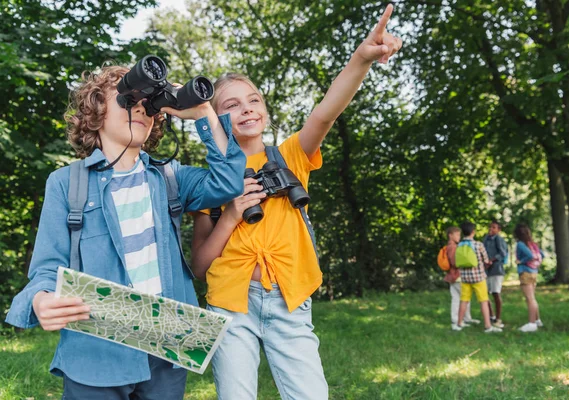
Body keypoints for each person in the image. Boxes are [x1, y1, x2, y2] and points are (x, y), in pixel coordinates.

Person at [190, 5, 402, 399]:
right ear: (214, 120)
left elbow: (325, 114)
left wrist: (361, 58)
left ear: (265, 112)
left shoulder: (289, 156)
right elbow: (200, 267)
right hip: (230, 304)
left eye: (252, 100)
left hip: (289, 300)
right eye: (231, 105)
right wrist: (231, 214)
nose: (246, 108)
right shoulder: (209, 181)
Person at [4, 65, 246, 397]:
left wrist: (203, 109)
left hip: (167, 350)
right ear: (95, 114)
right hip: (96, 354)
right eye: (126, 99)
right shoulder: (66, 184)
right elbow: (47, 267)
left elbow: (228, 182)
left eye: (147, 105)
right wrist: (41, 299)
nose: (139, 109)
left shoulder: (170, 178)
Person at [456, 222, 502, 333]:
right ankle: (487, 326)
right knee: (483, 301)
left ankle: (459, 323)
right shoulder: (478, 245)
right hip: (478, 278)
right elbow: (486, 260)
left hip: (465, 278)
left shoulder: (459, 245)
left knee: (464, 300)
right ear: (473, 232)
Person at [445, 226, 479, 330]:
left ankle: (464, 318)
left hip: (453, 276)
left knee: (460, 298)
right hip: (457, 276)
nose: (459, 236)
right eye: (457, 234)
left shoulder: (452, 246)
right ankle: (458, 319)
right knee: (463, 298)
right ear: (450, 235)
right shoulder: (453, 247)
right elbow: (454, 262)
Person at [514, 223, 544, 333]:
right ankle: (537, 320)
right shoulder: (533, 244)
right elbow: (542, 255)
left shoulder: (521, 244)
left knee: (530, 299)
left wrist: (520, 261)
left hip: (525, 272)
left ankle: (531, 324)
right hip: (534, 272)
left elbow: (529, 256)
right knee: (533, 298)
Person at [482, 220, 508, 328]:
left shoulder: (499, 239)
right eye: (490, 227)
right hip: (486, 270)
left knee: (496, 293)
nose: (491, 229)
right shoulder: (486, 239)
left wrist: (491, 261)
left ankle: (498, 318)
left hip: (496, 269)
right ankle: (491, 315)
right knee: (485, 293)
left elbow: (502, 253)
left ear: (498, 230)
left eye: (493, 227)